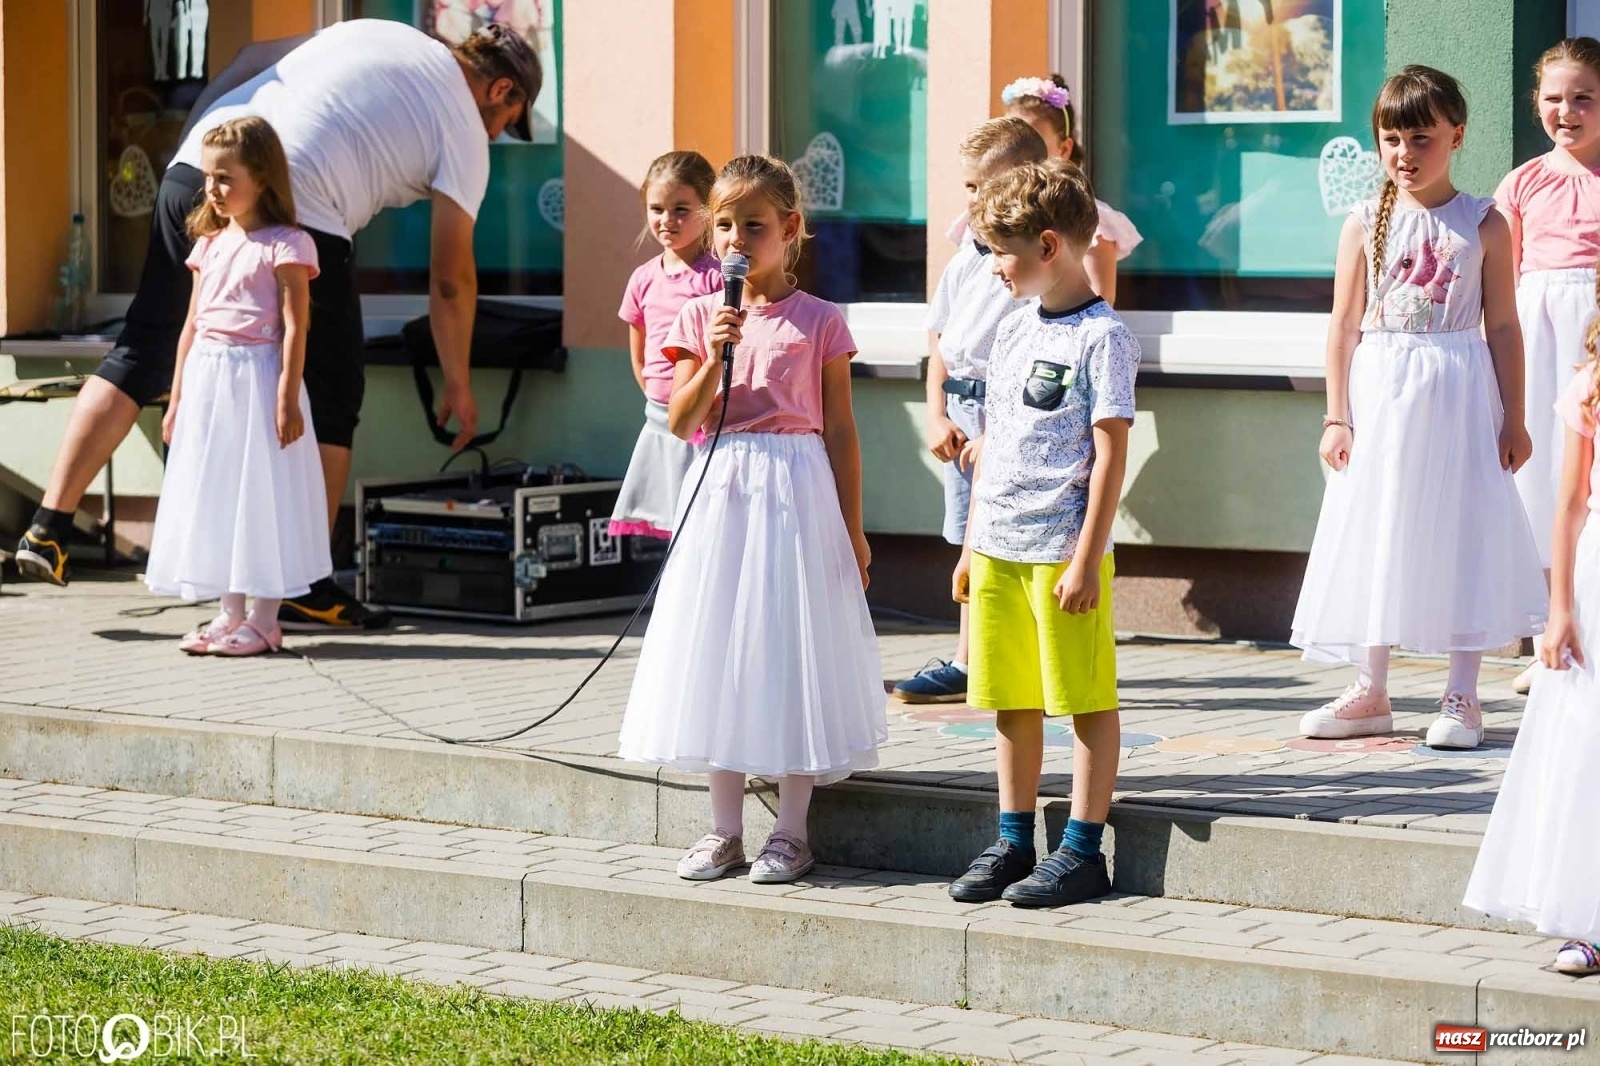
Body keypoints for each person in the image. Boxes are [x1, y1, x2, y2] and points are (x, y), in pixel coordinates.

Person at [15, 19, 540, 633]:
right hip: (297, 211)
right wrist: (458, 381)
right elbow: (452, 279)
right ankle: (303, 584)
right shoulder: (465, 130)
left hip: (196, 172)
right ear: (500, 89)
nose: (499, 135)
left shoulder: (379, 31)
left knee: (142, 348)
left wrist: (196, 164)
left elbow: (247, 58)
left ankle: (49, 527)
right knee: (334, 392)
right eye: (509, 122)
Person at [617, 156, 886, 885]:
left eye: (754, 226)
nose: (736, 239)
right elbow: (680, 419)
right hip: (724, 491)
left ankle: (792, 830)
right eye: (726, 224)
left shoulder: (821, 321)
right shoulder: (700, 313)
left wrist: (853, 528)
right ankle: (724, 829)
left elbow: (841, 433)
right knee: (720, 649)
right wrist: (712, 354)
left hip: (796, 493)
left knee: (791, 647)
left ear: (791, 229)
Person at [1291, 66, 1547, 749]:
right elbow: (1344, 326)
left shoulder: (1484, 223)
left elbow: (1503, 327)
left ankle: (1462, 693)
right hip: (1381, 394)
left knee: (1462, 527)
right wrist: (1336, 416)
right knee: (1379, 527)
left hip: (1460, 391)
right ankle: (1370, 689)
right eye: (1393, 138)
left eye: (1422, 138)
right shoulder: (1361, 224)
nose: (1406, 153)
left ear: (1456, 136)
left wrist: (1514, 415)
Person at [947, 158, 1140, 908]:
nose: (995, 266)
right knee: (1012, 699)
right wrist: (969, 544)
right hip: (998, 546)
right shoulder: (1013, 328)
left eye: (1003, 251)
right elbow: (993, 444)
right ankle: (1013, 837)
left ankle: (1083, 849)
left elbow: (1111, 452)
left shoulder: (1102, 337)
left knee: (1085, 699)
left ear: (1050, 245)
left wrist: (1087, 557)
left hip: (1062, 555)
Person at [143, 118, 328, 656]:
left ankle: (266, 620)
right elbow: (192, 325)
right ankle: (229, 614)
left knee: (262, 494)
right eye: (208, 178)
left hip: (260, 379)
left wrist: (287, 397)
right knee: (221, 490)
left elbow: (297, 325)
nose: (212, 190)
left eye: (225, 177)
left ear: (263, 177)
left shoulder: (287, 245)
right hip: (209, 380)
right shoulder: (209, 244)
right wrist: (176, 399)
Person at [1463, 291, 1600, 977]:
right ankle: (1591, 917)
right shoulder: (1592, 385)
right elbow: (1571, 505)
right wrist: (1561, 610)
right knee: (1589, 747)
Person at [895, 117, 1046, 705]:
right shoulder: (965, 260)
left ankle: (976, 659)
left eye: (986, 186)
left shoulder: (1030, 265)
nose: (975, 199)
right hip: (960, 410)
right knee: (967, 534)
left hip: (1005, 415)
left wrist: (999, 429)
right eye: (969, 187)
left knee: (998, 533)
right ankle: (973, 655)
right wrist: (935, 413)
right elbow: (939, 342)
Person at [1497, 37, 1600, 694]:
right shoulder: (1524, 181)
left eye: (1583, 98)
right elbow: (1500, 280)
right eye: (1555, 98)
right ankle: (1547, 636)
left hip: (1594, 338)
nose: (1567, 111)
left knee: (1587, 481)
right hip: (1539, 337)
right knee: (1544, 487)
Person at [938, 76, 1143, 307]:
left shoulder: (1087, 216)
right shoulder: (982, 215)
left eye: (1033, 144)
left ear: (1064, 148)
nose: (1018, 160)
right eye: (1013, 145)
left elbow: (1101, 297)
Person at [609, 152, 723, 541]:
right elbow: (639, 350)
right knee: (673, 525)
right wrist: (654, 393)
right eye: (657, 209)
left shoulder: (715, 278)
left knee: (703, 526)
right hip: (658, 419)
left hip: (702, 420)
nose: (666, 220)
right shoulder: (643, 278)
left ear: (707, 211)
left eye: (680, 210)